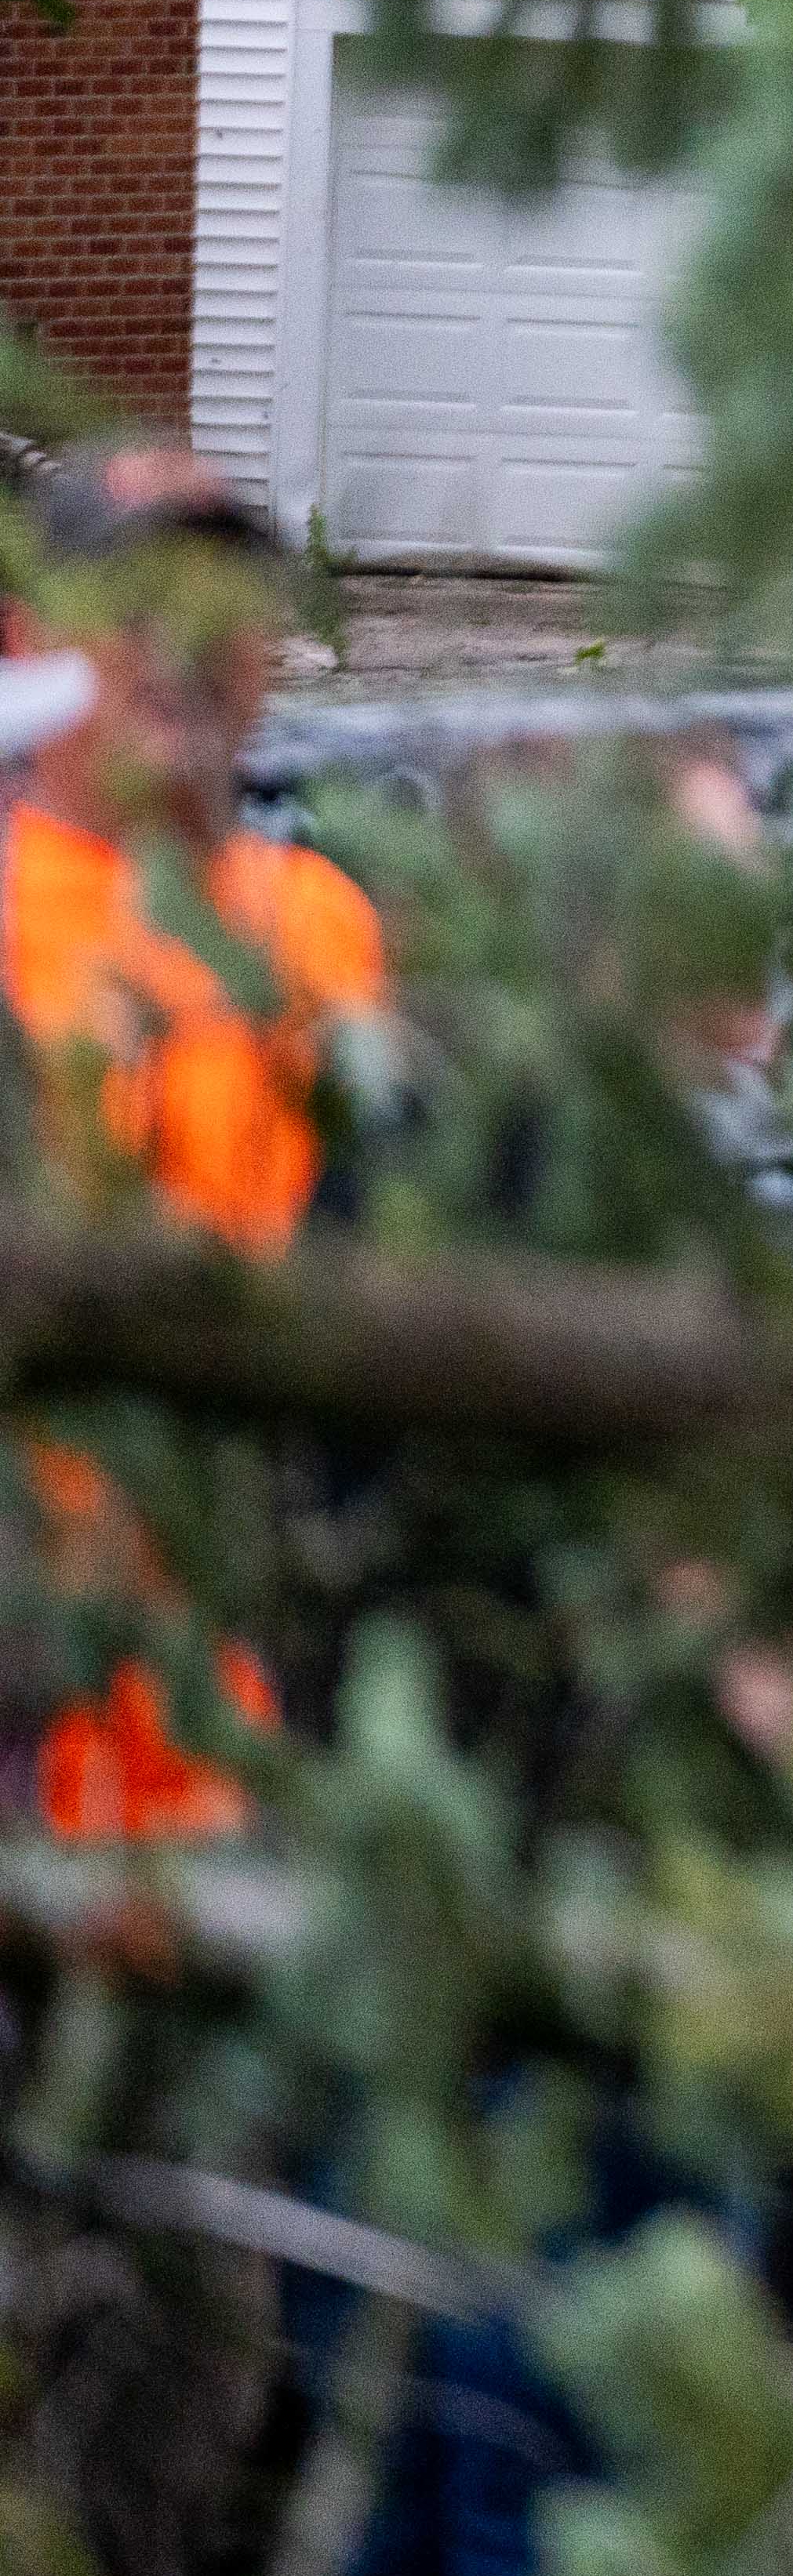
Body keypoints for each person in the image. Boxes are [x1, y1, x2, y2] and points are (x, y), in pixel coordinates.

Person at [0, 441, 388, 1838]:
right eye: (133, 603)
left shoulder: (330, 926)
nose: (182, 650)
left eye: (220, 610)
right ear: (26, 638)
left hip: (277, 1770)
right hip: (41, 1774)